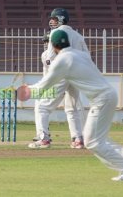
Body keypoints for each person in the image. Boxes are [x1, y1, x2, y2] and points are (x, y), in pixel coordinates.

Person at [20, 29, 123, 181]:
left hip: (101, 100)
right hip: (108, 95)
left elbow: (43, 87)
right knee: (96, 137)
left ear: (53, 45)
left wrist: (26, 89)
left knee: (92, 142)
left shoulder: (62, 60)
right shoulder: (80, 54)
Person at [29, 8, 86, 149]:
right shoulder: (78, 36)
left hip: (61, 73)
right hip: (76, 74)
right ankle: (77, 140)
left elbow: (49, 58)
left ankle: (43, 139)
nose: (51, 21)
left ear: (60, 19)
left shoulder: (55, 33)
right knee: (72, 108)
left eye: (54, 19)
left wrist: (45, 59)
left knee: (42, 106)